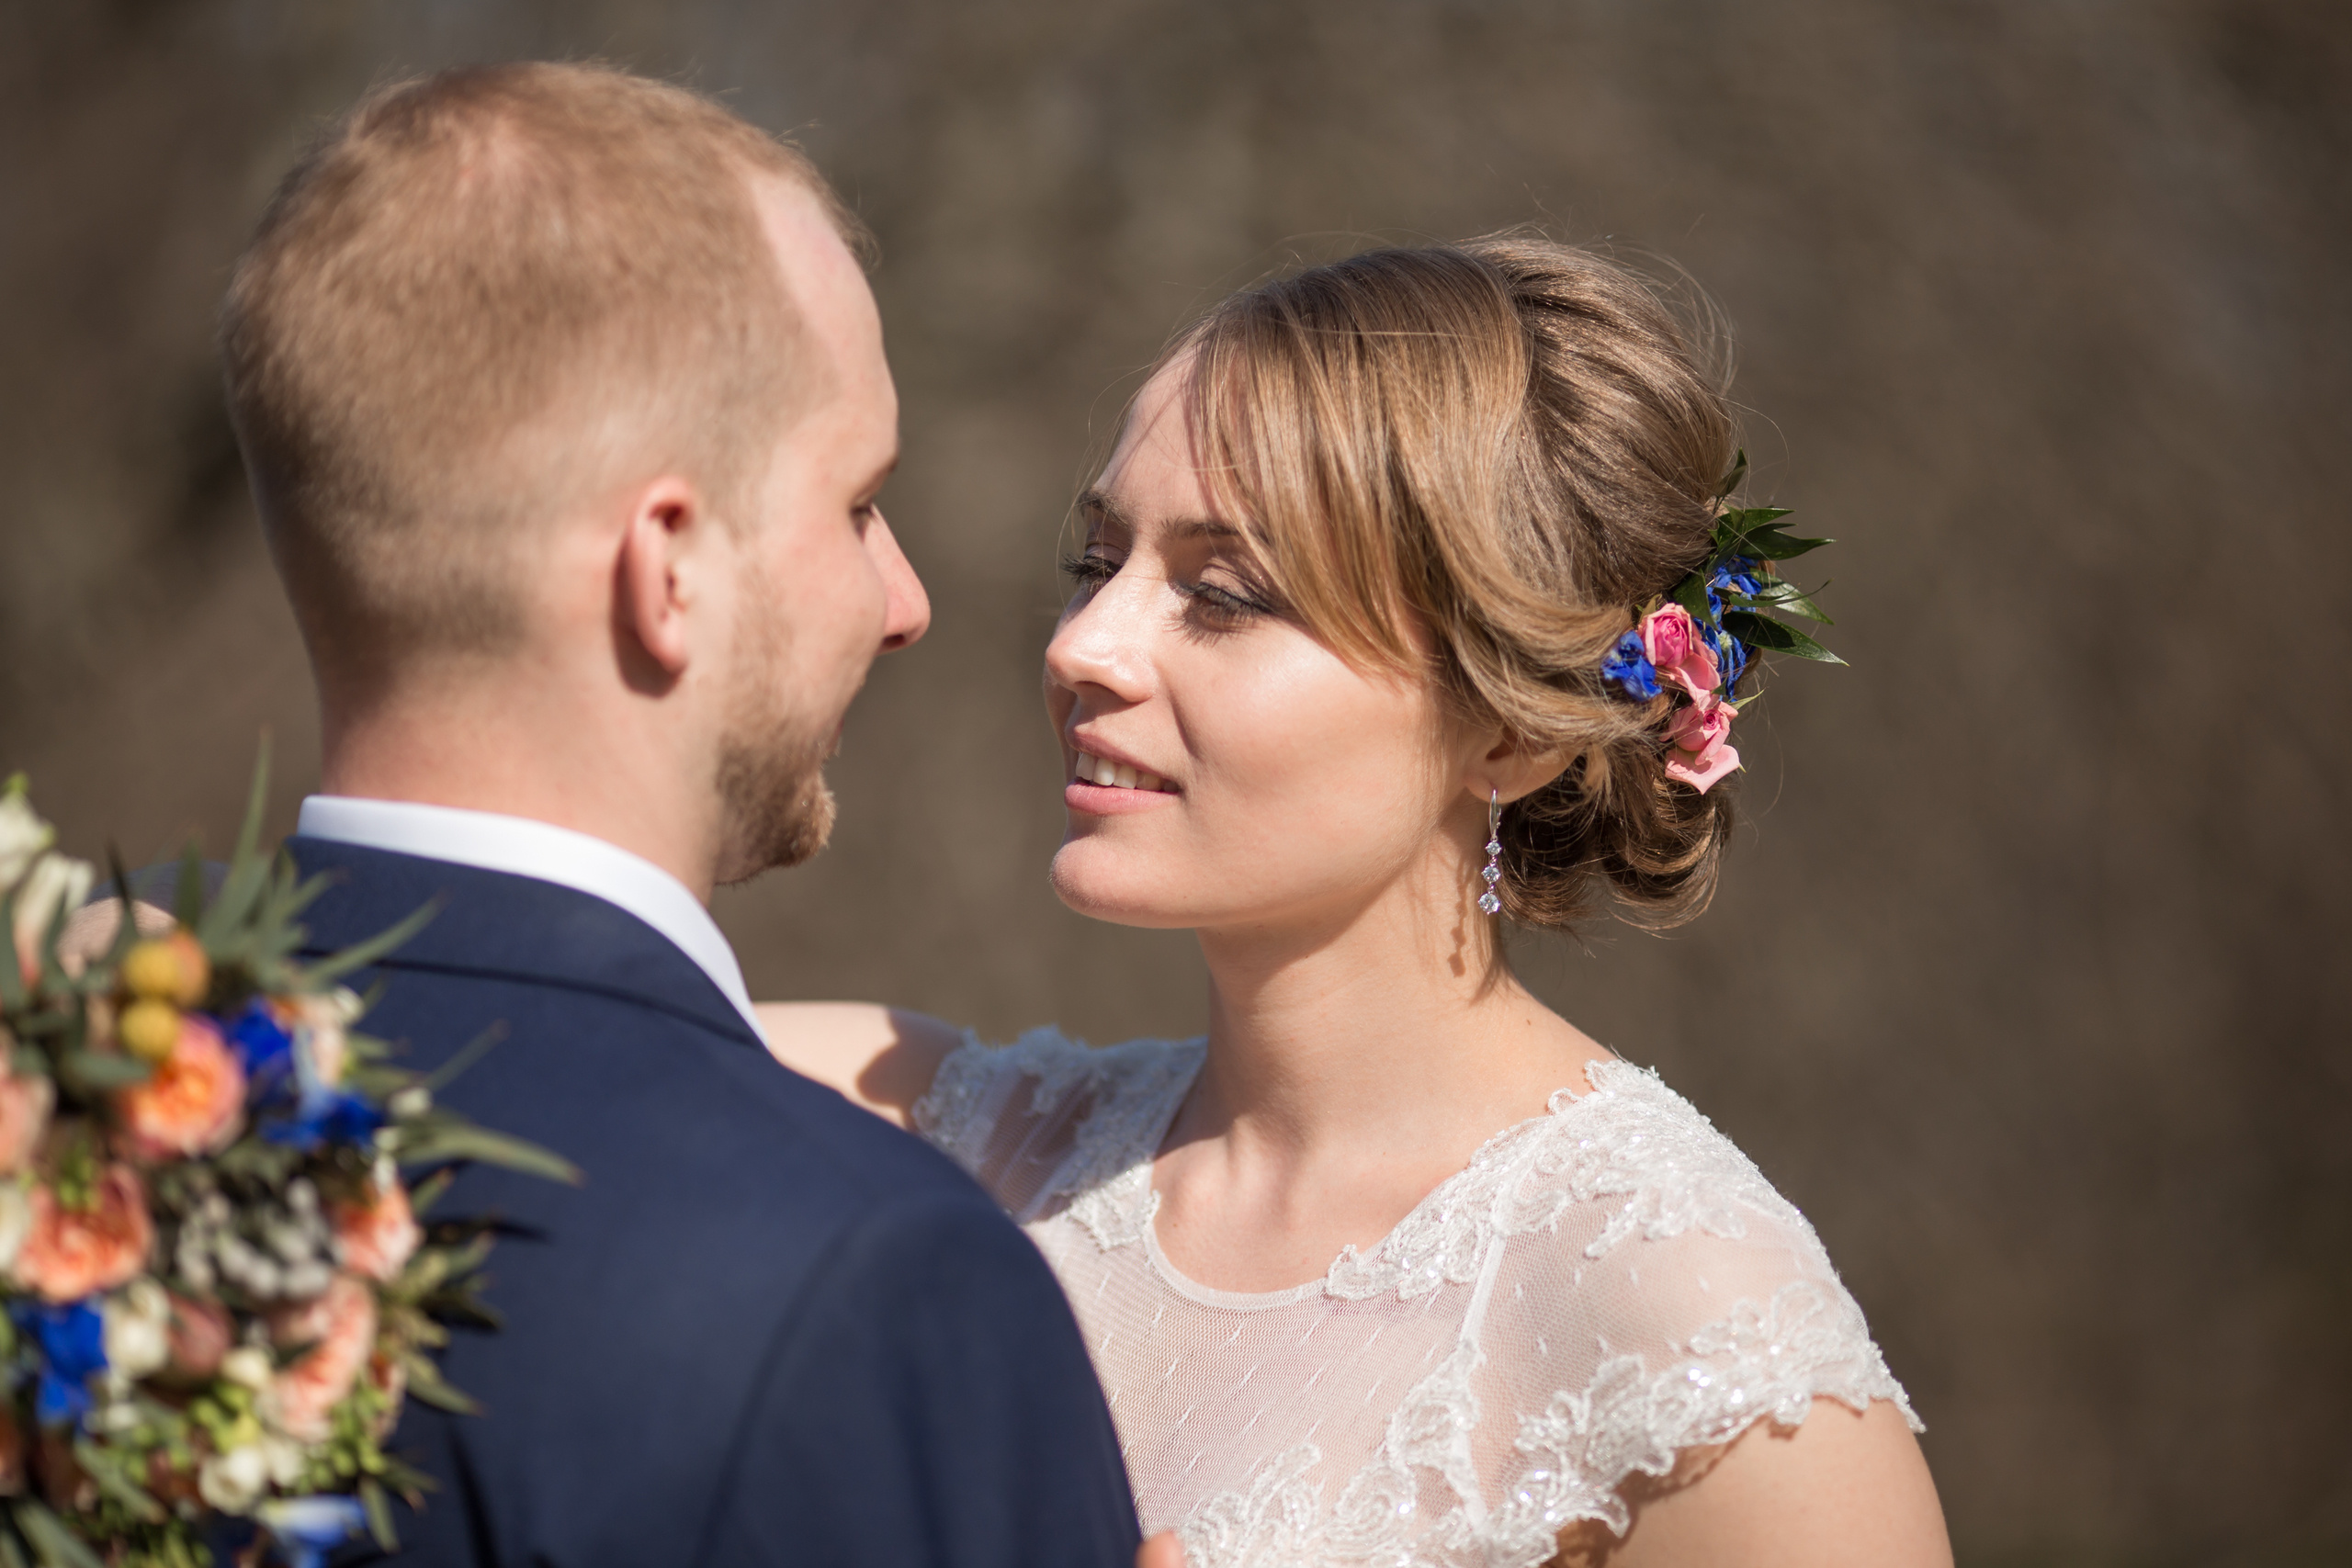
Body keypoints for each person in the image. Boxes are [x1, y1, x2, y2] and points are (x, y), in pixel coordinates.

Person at [763, 239, 1955, 1566]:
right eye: (1098, 563)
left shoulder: (1691, 1333)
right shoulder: (947, 1147)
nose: (1081, 647)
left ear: (1510, 730)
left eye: (1222, 596)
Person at [216, 62, 1145, 1567]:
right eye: (856, 504)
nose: (904, 603)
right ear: (670, 568)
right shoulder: (865, 1283)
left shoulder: (73, 1121)